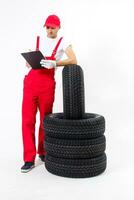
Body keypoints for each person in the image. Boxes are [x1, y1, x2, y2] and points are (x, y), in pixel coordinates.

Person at [21, 14, 77, 173]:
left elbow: (73, 60)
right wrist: (29, 61)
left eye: (53, 27)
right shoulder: (37, 38)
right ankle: (28, 159)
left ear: (59, 27)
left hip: (46, 84)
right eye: (48, 27)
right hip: (31, 82)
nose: (50, 30)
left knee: (45, 120)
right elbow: (28, 63)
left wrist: (55, 63)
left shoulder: (63, 42)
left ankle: (43, 152)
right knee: (27, 120)